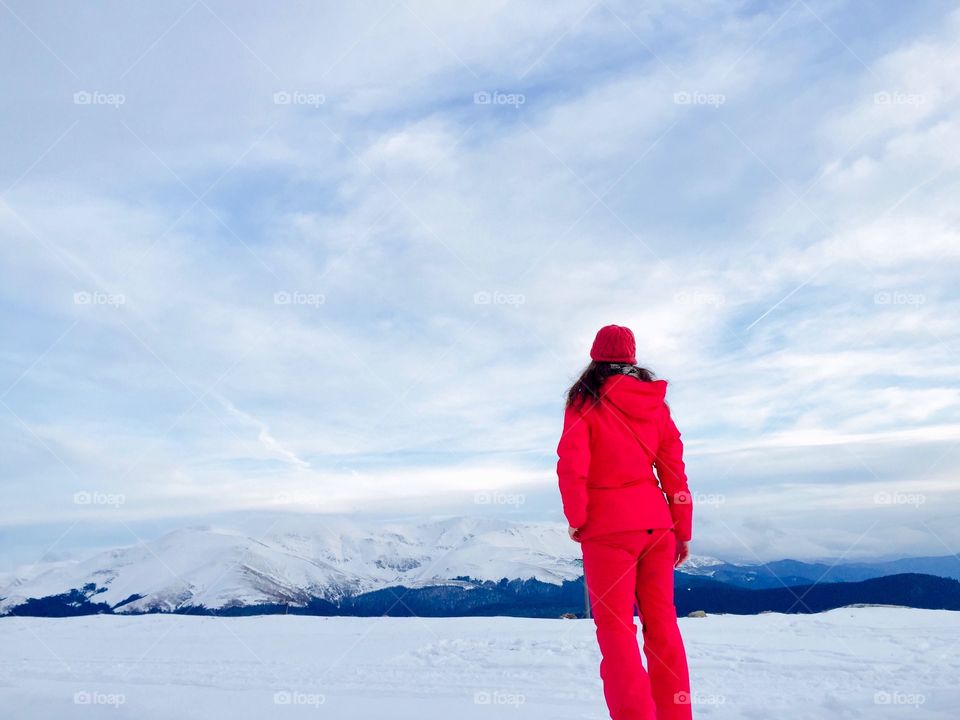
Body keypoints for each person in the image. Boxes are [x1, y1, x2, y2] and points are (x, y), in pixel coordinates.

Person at [556, 324, 693, 720]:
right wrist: (681, 529)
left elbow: (572, 467)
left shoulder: (584, 402)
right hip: (657, 525)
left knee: (616, 633)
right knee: (663, 628)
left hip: (607, 530)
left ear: (595, 356)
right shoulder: (655, 404)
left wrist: (577, 518)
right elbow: (674, 472)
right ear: (633, 358)